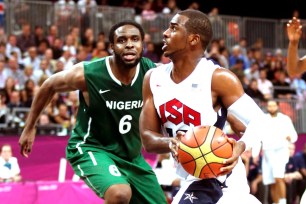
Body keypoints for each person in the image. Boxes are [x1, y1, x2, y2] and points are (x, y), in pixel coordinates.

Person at [18, 20, 167, 204]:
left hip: (131, 157)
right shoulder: (89, 74)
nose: (129, 44)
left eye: (135, 39)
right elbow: (49, 85)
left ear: (142, 45)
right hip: (91, 148)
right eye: (122, 40)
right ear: (112, 47)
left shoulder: (153, 73)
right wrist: (30, 126)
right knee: (119, 194)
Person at [139, 9, 265, 204]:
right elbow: (147, 138)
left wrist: (240, 145)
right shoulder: (153, 78)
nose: (165, 33)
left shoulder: (217, 78)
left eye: (173, 28)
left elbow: (259, 120)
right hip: (189, 175)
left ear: (193, 39)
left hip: (218, 175)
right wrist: (170, 142)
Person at [256, 99, 298, 204]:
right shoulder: (263, 119)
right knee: (271, 181)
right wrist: (256, 151)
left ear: (277, 106)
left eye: (273, 105)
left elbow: (294, 135)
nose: (271, 108)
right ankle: (275, 202)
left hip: (280, 151)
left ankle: (283, 202)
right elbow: (257, 135)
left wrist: (290, 137)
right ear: (267, 107)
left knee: (279, 177)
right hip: (267, 152)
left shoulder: (285, 119)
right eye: (269, 106)